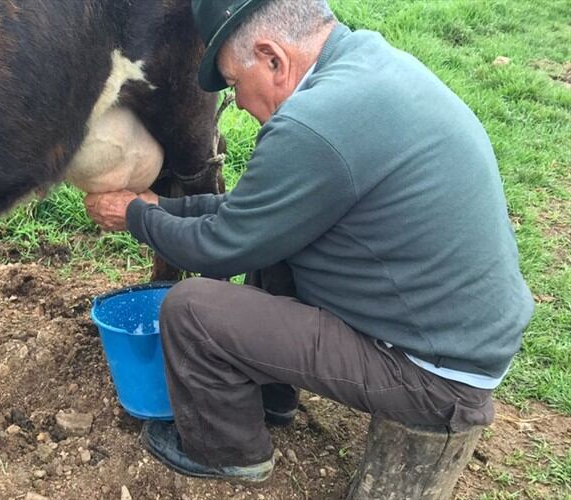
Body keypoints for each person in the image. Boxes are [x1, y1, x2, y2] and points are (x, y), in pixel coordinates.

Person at [83, 0, 534, 485]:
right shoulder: (364, 66)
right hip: (448, 331)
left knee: (190, 311)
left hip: (433, 376)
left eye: (234, 84)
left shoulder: (311, 127)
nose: (238, 102)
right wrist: (162, 207)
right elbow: (254, 213)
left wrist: (135, 217)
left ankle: (228, 450)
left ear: (273, 59)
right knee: (275, 244)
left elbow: (217, 249)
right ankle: (273, 398)